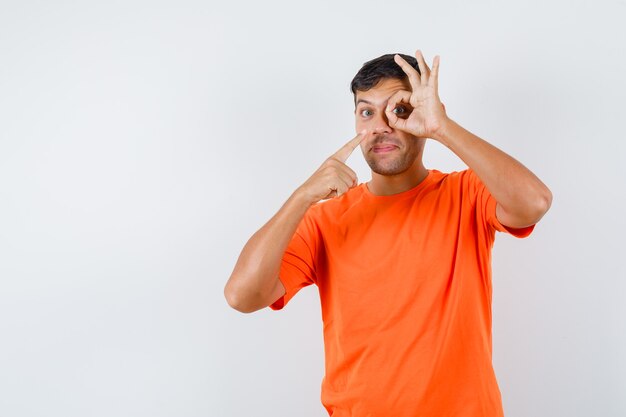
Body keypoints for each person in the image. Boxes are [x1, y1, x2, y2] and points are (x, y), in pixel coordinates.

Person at [224, 50, 552, 417]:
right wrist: (302, 196)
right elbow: (242, 295)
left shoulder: (465, 196)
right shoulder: (324, 220)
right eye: (367, 112)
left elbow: (534, 202)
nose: (381, 125)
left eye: (398, 109)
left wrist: (443, 127)